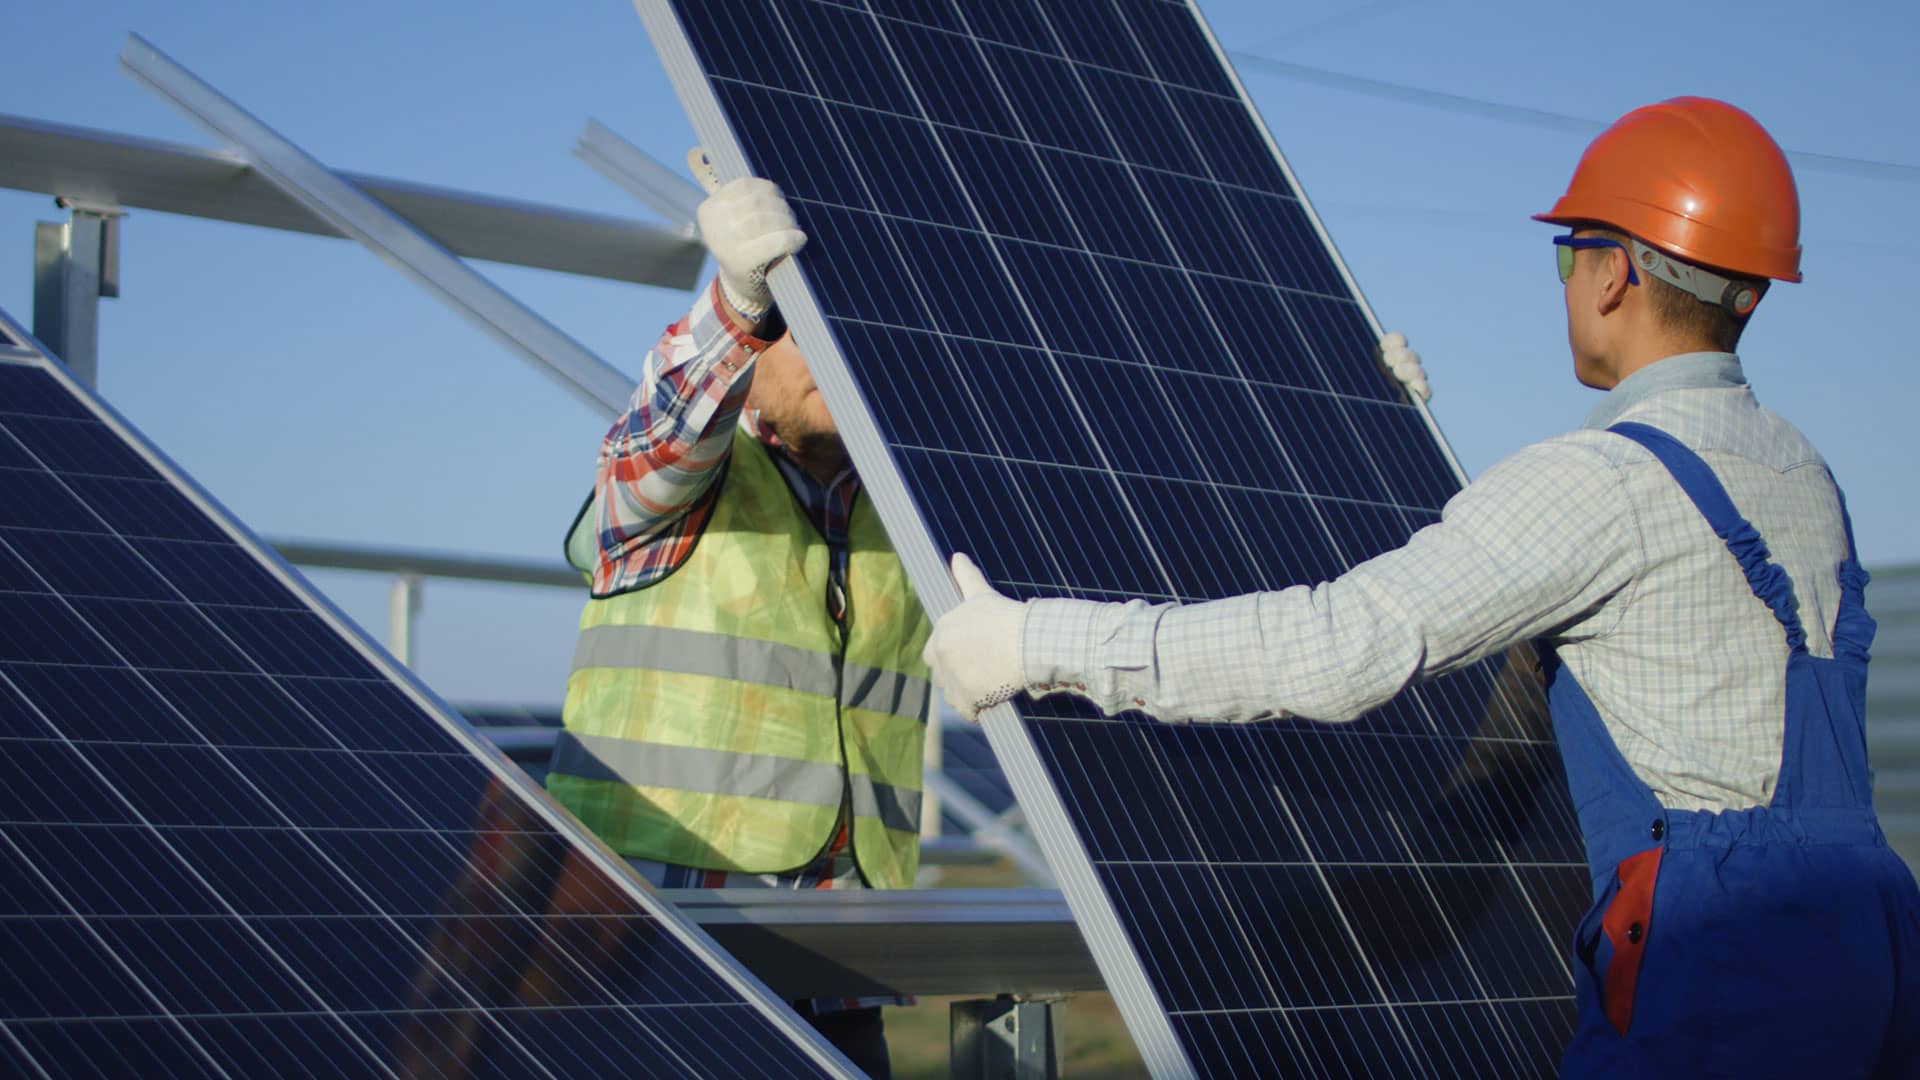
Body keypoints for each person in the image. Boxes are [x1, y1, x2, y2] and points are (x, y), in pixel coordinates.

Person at [924, 96, 1920, 1075]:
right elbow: (1643, 652)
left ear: (1614, 272)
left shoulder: (1601, 480)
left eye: (1570, 253)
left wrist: (1036, 645)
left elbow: (1338, 648)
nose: (1567, 279)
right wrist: (1382, 427)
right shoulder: (1804, 479)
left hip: (1714, 960)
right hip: (1868, 939)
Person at [543, 166, 931, 1077]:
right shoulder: (670, 497)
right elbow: (655, 444)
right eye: (796, 326)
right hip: (649, 956)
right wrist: (738, 302)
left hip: (843, 964)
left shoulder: (915, 518)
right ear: (751, 355)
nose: (827, 351)